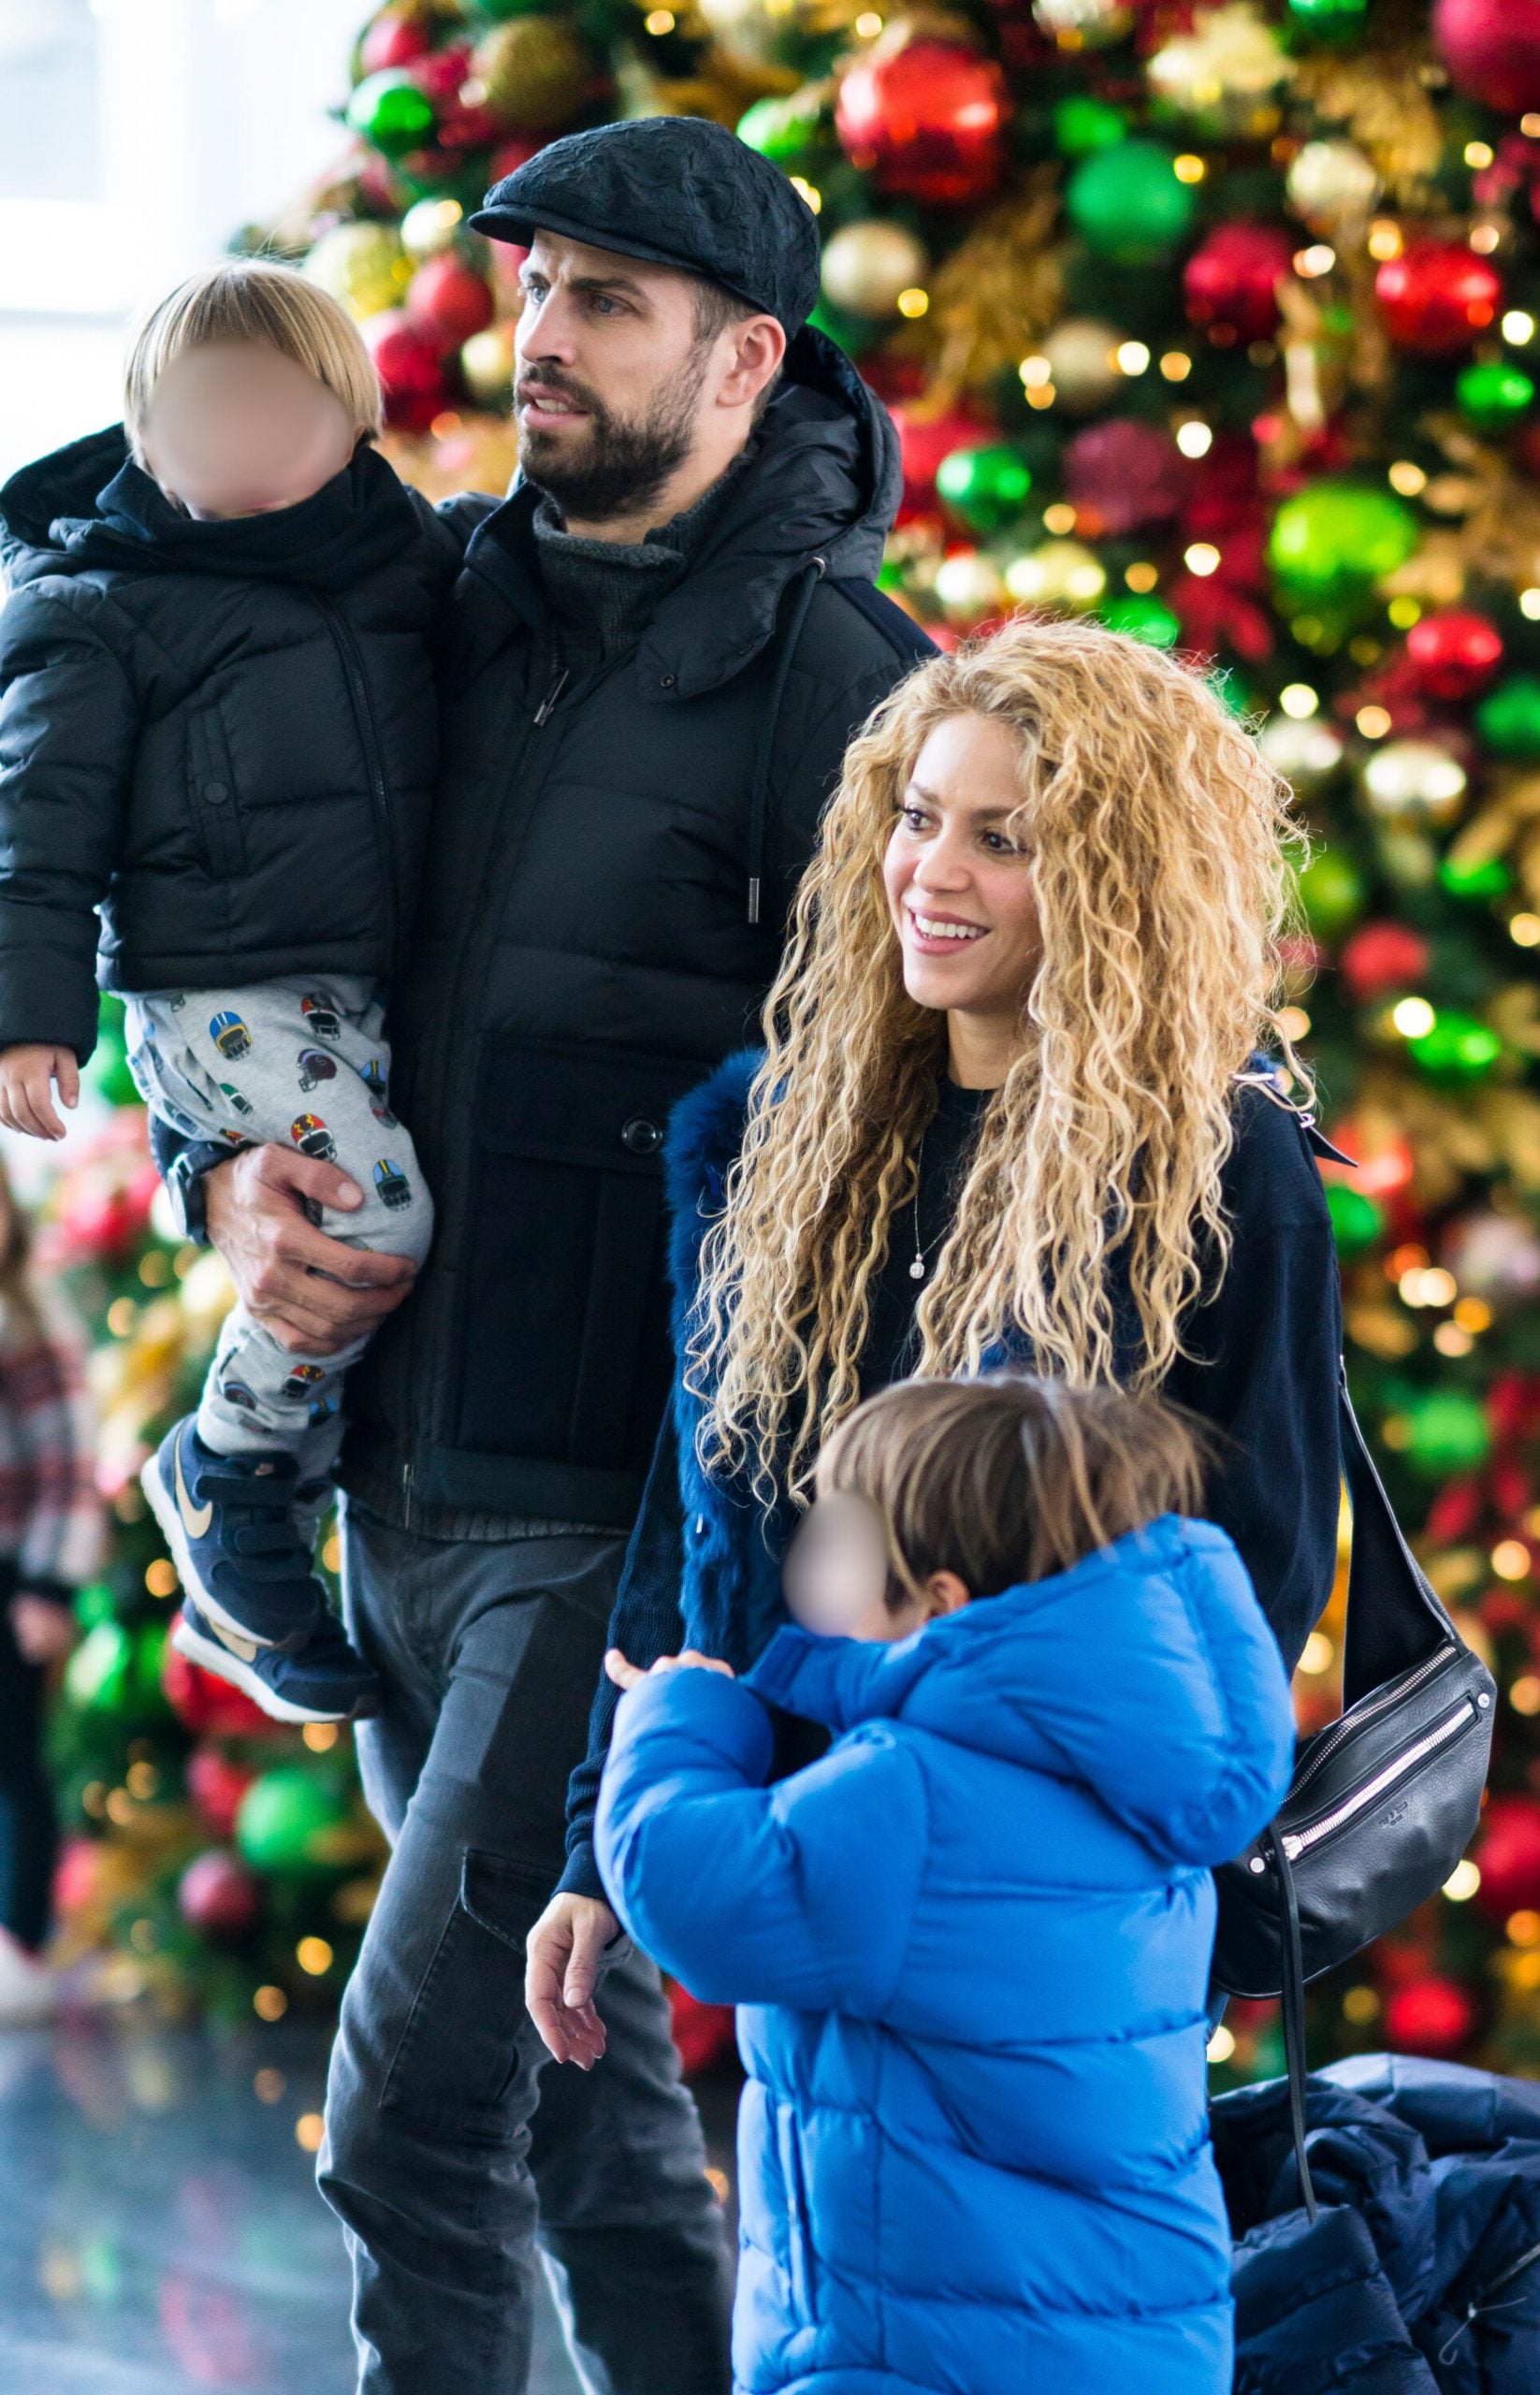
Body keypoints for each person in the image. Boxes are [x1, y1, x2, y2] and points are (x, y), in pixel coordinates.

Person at [158, 120, 929, 2395]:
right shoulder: (428, 596)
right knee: (590, 2123)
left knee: (413, 2118)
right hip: (386, 1472)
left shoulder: (840, 684)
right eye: (531, 288)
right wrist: (227, 1183)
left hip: (594, 1534)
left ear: (746, 352)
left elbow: (878, 1150)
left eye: (601, 297)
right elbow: (231, 918)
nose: (538, 337)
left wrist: (716, 1584)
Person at [537, 611, 1345, 2068]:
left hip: (1052, 1906)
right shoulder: (779, 1135)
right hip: (813, 1853)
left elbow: (1254, 1573)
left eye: (1005, 839)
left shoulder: (1210, 1165)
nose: (933, 874)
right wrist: (603, 1836)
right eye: (918, 819)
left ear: (1112, 879)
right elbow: (696, 1523)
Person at [596, 1373, 1297, 2394]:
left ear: (935, 1600)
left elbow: (687, 1887)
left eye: (835, 1534)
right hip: (1129, 2342)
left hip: (922, 2353)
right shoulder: (1129, 1786)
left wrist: (683, 1716)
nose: (797, 1555)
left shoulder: (913, 1796)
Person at [0, 258, 461, 1725]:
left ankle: (276, 1494)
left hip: (366, 979)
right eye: (208, 409)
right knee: (373, 1216)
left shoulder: (417, 564)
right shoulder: (99, 603)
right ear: (148, 439)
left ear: (354, 423)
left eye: (283, 404)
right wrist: (28, 1009)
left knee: (386, 1226)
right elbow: (33, 821)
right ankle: (231, 1468)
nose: (246, 435)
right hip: (220, 989)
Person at [0, 1156, 104, 2028]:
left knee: (14, 1765)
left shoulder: (27, 1315)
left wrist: (48, 1584)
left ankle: (21, 1943)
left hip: (14, 1580)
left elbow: (68, 1466)